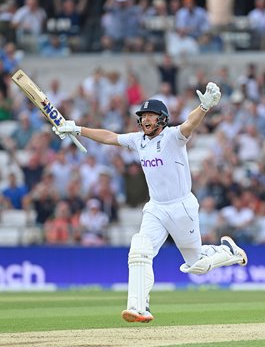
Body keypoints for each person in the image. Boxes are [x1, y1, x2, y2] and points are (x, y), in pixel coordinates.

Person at [52, 82, 248, 323]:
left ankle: (228, 252)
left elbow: (189, 124)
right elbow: (110, 137)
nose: (145, 120)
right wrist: (78, 129)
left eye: (151, 116)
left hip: (181, 206)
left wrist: (204, 107)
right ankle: (138, 307)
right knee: (139, 250)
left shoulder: (173, 137)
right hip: (156, 207)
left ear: (162, 119)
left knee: (196, 265)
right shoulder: (138, 140)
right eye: (143, 116)